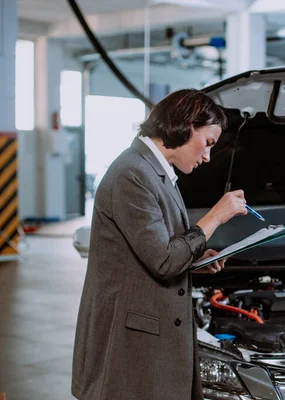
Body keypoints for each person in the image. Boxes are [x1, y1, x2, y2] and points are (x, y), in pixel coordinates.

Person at [72, 89, 247, 400]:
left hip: (152, 338)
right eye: (207, 143)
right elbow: (164, 260)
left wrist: (196, 260)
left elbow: (153, 250)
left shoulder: (155, 172)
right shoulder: (132, 174)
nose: (207, 156)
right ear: (186, 125)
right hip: (132, 345)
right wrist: (215, 217)